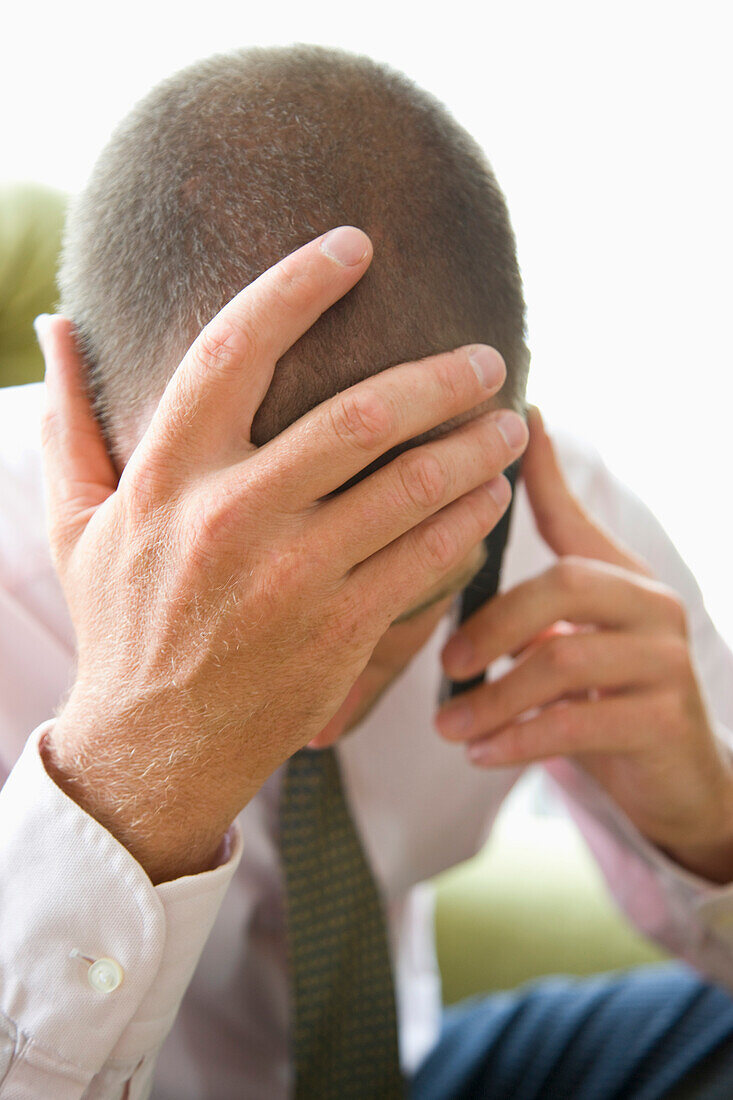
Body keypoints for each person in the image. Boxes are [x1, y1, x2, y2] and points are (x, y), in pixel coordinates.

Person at [1, 44, 733, 1100]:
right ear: (81, 441)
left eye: (395, 611)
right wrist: (128, 772)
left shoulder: (554, 523)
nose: (318, 712)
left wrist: (710, 824)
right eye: (231, 607)